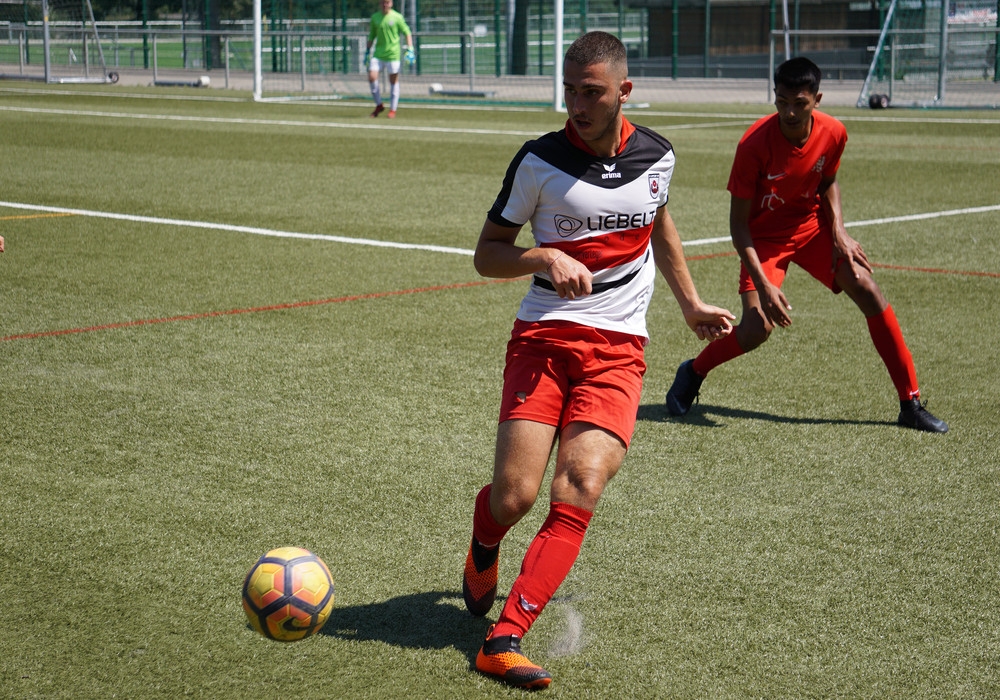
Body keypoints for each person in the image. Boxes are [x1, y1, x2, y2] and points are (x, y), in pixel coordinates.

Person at [462, 31, 736, 690]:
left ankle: (505, 638)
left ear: (624, 91)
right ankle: (485, 538)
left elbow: (658, 223)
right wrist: (543, 256)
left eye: (591, 92)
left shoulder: (657, 155)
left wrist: (690, 303)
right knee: (514, 496)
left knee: (580, 483)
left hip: (619, 347)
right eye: (570, 91)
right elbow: (487, 254)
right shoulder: (539, 160)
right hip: (544, 337)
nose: (578, 105)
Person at [665, 57, 948, 433]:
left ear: (817, 99)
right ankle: (694, 370)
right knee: (756, 329)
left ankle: (909, 402)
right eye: (781, 101)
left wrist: (839, 231)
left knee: (867, 288)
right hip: (764, 240)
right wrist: (764, 285)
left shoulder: (834, 132)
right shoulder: (753, 145)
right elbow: (738, 226)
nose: (789, 112)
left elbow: (827, 181)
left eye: (799, 103)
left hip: (812, 228)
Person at [365, 0, 414, 119]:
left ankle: (393, 109)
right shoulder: (375, 17)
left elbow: (407, 32)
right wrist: (367, 51)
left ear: (391, 3)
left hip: (393, 55)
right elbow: (372, 35)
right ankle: (379, 104)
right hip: (378, 54)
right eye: (382, 2)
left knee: (393, 81)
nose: (384, 5)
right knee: (372, 77)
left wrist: (410, 49)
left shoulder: (397, 17)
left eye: (387, 2)